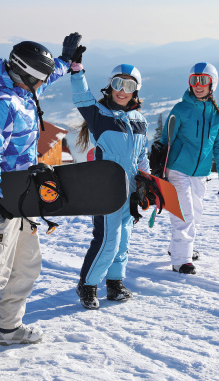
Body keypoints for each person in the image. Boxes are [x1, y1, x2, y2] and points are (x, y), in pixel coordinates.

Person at [0, 33, 83, 371]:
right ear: (23, 72)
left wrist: (67, 61)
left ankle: (8, 329)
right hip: (0, 200)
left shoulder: (23, 90)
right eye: (38, 78)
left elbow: (46, 77)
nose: (42, 84)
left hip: (25, 196)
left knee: (26, 266)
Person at [71, 59, 150, 310]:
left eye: (129, 85)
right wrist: (77, 72)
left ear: (135, 90)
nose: (122, 90)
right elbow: (81, 97)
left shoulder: (140, 120)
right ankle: (88, 285)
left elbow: (141, 155)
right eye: (118, 83)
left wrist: (146, 181)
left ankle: (115, 283)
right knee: (107, 239)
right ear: (110, 85)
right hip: (106, 188)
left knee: (124, 238)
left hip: (130, 190)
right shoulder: (99, 115)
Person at [160, 62, 219, 275]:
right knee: (184, 215)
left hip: (201, 172)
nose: (198, 85)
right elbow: (166, 140)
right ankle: (182, 261)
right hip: (178, 169)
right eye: (194, 80)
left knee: (196, 215)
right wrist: (160, 171)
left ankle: (178, 248)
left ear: (212, 84)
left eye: (203, 81)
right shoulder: (181, 109)